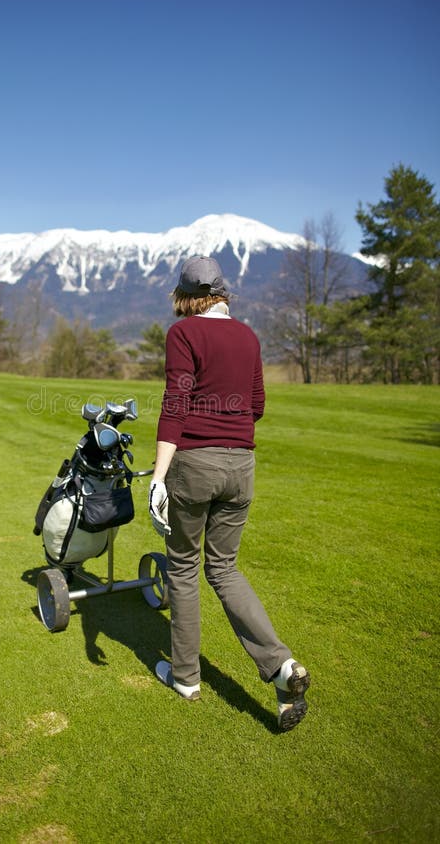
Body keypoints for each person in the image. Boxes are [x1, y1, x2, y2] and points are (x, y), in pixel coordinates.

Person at [148, 255, 310, 731]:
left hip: (194, 467)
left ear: (185, 295)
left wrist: (159, 476)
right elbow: (256, 404)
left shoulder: (183, 333)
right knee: (223, 568)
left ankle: (184, 678)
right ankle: (281, 667)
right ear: (222, 292)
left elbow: (175, 405)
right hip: (241, 467)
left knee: (182, 567)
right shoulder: (248, 335)